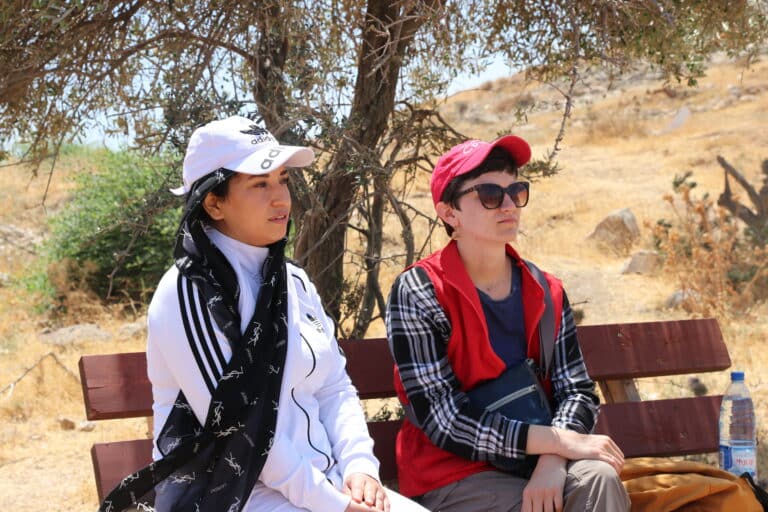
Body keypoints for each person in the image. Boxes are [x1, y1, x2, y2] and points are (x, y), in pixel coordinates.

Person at [99, 115, 428, 512]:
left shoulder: (293, 282)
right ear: (214, 202)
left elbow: (333, 387)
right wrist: (333, 504)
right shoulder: (188, 292)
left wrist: (360, 468)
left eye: (283, 181)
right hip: (236, 498)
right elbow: (239, 427)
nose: (281, 199)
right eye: (260, 184)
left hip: (327, 487)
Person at [385, 135, 632, 512]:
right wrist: (554, 443)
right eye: (488, 194)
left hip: (539, 459)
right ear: (449, 213)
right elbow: (443, 417)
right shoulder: (420, 291)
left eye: (515, 192)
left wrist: (553, 458)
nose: (507, 205)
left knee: (600, 479)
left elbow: (576, 390)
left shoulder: (545, 290)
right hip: (454, 474)